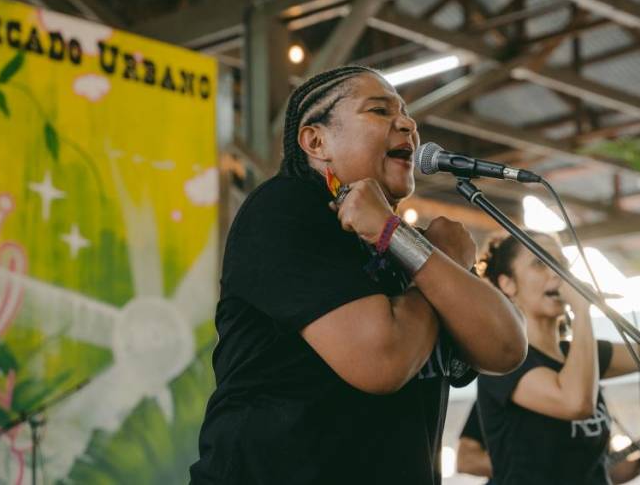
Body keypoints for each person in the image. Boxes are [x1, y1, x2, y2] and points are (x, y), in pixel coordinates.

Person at [189, 65, 527, 484]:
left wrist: (412, 247)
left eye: (406, 114)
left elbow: (507, 348)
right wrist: (434, 261)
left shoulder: (415, 250)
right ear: (317, 141)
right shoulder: (285, 208)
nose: (407, 123)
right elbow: (382, 361)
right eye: (380, 111)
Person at [476, 233, 640, 484]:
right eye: (540, 263)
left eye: (562, 264)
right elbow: (576, 403)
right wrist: (581, 310)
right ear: (508, 284)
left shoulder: (583, 354)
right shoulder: (504, 362)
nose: (558, 273)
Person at [456, 403, 640, 483]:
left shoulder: (591, 400)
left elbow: (605, 471)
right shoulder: (502, 394)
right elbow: (466, 460)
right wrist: (542, 469)